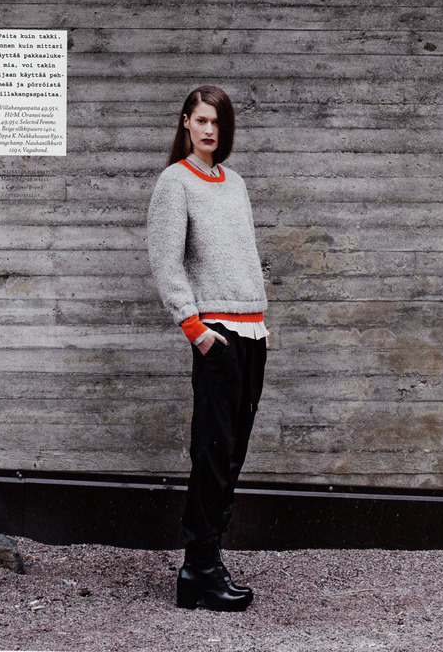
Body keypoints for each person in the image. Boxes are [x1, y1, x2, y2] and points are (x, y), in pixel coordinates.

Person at [147, 85, 268, 611]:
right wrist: (194, 328)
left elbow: (244, 255)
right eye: (201, 120)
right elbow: (165, 260)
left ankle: (207, 561)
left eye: (217, 121)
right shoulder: (175, 182)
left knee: (233, 453)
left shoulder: (234, 183)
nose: (209, 130)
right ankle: (198, 567)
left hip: (252, 333)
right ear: (186, 123)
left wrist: (260, 319)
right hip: (216, 334)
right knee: (213, 453)